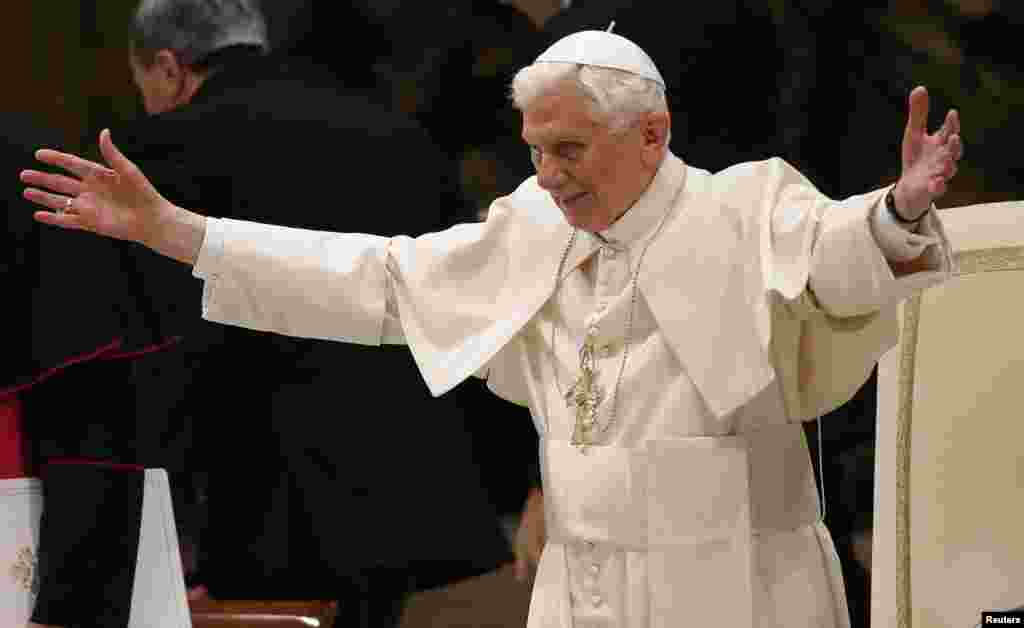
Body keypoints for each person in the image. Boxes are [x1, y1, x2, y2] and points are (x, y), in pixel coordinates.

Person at [21, 28, 963, 627]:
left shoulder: (743, 207)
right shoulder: (533, 228)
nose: (548, 175)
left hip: (731, 588)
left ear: (651, 133)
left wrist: (899, 211)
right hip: (579, 592)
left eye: (570, 149)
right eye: (535, 151)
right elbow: (377, 280)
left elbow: (839, 251)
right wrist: (177, 234)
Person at [77, 0, 514, 625]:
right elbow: (458, 303)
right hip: (412, 473)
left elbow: (155, 351)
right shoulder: (396, 135)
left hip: (255, 487)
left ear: (167, 69)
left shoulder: (154, 152)